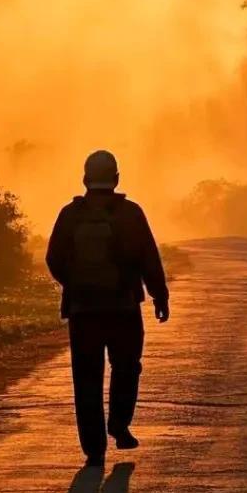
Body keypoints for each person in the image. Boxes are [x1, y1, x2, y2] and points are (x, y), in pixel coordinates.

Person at [46, 150, 170, 466]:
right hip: (123, 307)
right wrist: (159, 296)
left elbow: (54, 259)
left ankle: (94, 450)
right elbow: (149, 260)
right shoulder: (131, 214)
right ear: (116, 179)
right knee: (126, 367)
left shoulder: (70, 215)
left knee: (86, 377)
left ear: (85, 179)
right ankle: (119, 422)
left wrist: (75, 285)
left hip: (83, 311)